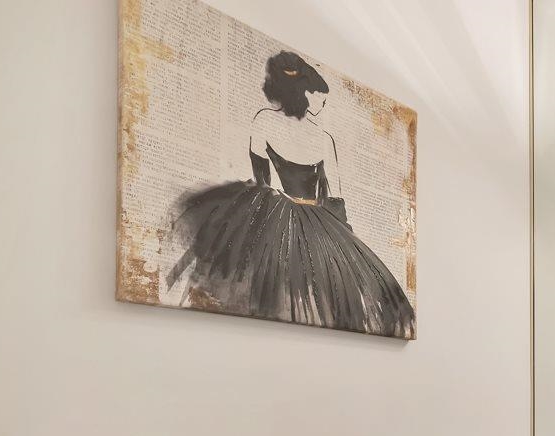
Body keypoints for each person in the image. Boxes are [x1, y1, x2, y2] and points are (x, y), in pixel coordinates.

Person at [166, 51, 414, 339]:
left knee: (275, 289)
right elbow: (335, 201)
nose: (322, 102)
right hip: (317, 220)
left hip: (278, 211)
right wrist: (344, 244)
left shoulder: (264, 121)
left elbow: (262, 181)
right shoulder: (323, 138)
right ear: (305, 93)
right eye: (318, 94)